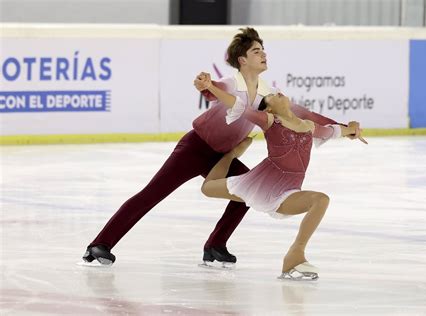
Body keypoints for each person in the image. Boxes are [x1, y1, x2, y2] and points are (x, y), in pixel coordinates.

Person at [82, 27, 352, 267]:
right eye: (256, 50)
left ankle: (215, 246)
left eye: (263, 50)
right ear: (242, 59)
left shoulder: (266, 92)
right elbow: (215, 90)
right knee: (152, 193)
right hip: (194, 148)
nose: (263, 54)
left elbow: (307, 116)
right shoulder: (232, 83)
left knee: (248, 191)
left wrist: (345, 127)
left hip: (222, 155)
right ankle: (100, 244)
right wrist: (206, 86)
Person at [196, 73, 366, 279]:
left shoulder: (309, 126)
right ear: (268, 108)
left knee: (320, 200)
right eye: (273, 96)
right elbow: (237, 105)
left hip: (288, 190)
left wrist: (352, 128)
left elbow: (334, 131)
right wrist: (211, 88)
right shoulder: (269, 120)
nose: (278, 93)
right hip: (263, 182)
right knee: (208, 188)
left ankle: (295, 256)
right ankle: (231, 154)